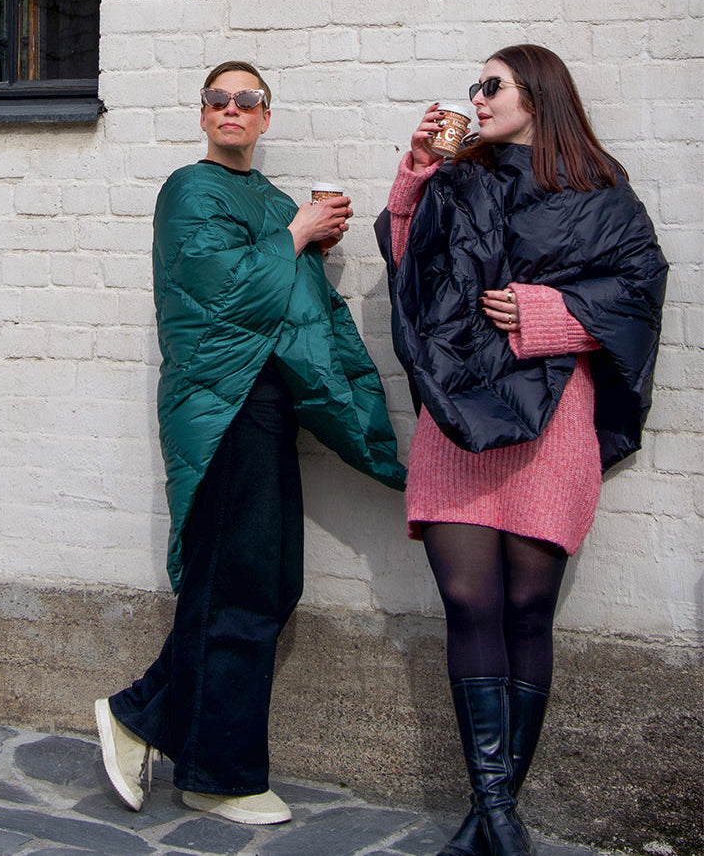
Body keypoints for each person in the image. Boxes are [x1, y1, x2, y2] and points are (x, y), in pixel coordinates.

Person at [95, 60, 405, 826]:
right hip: (220, 406)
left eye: (247, 100)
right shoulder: (189, 191)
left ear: (265, 117)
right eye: (218, 99)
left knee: (264, 582)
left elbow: (298, 306)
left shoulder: (268, 199)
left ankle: (149, 720)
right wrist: (297, 234)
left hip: (269, 405)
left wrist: (307, 237)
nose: (231, 110)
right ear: (202, 114)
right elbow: (225, 294)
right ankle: (219, 773)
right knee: (237, 583)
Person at [375, 45, 667, 856]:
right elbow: (410, 263)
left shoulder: (598, 187)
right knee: (470, 602)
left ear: (537, 94)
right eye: (476, 85)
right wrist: (417, 170)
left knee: (528, 609)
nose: (478, 95)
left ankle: (489, 817)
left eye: (491, 84)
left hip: (551, 422)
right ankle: (501, 818)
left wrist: (553, 314)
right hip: (458, 418)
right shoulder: (460, 175)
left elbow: (640, 290)